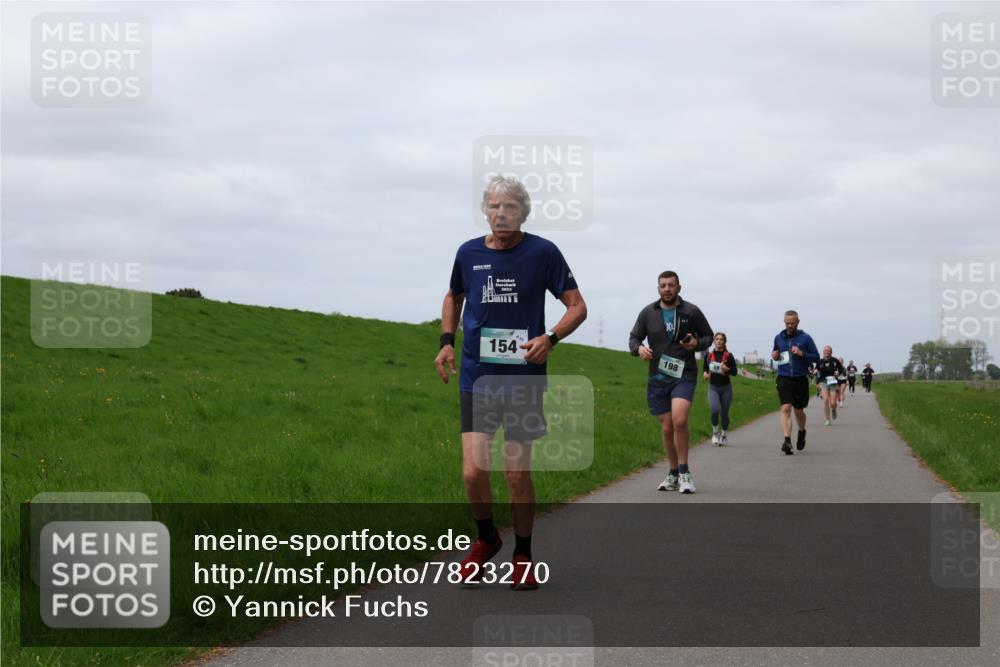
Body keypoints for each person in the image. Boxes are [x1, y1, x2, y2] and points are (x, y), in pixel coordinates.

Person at [434, 175, 587, 590]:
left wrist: (550, 338)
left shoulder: (543, 252)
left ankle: (522, 553)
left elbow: (577, 306)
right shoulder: (467, 253)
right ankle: (486, 539)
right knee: (472, 472)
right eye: (494, 207)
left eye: (510, 208)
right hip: (476, 377)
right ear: (486, 210)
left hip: (522, 379)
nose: (501, 213)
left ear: (523, 212)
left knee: (517, 475)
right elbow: (453, 295)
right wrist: (447, 341)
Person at [629, 271, 714, 494]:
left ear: (679, 288)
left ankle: (685, 472)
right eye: (663, 285)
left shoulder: (691, 311)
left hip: (684, 374)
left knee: (680, 419)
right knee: (667, 428)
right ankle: (673, 472)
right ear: (658, 288)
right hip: (657, 376)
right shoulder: (648, 313)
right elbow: (634, 337)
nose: (667, 289)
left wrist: (696, 343)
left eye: (671, 285)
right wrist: (639, 348)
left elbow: (708, 336)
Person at [771, 310, 820, 454]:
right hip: (783, 377)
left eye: (792, 323)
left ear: (798, 322)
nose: (790, 325)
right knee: (786, 408)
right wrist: (774, 355)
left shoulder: (806, 338)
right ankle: (787, 441)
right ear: (784, 322)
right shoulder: (778, 338)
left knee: (799, 411)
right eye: (787, 323)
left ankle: (802, 431)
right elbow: (775, 353)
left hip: (800, 378)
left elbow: (816, 358)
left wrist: (802, 353)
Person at [703, 332, 738, 446]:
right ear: (714, 341)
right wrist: (705, 374)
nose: (718, 341)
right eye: (717, 339)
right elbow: (705, 368)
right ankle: (715, 433)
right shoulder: (708, 356)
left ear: (724, 342)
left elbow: (735, 372)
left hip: (726, 388)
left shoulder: (728, 356)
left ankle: (723, 435)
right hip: (713, 388)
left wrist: (727, 369)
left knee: (724, 413)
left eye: (721, 339)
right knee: (714, 409)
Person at [816, 347, 845, 426]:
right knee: (825, 400)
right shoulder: (820, 361)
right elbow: (817, 371)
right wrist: (817, 382)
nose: (826, 352)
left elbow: (841, 369)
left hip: (833, 382)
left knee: (832, 403)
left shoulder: (835, 360)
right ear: (823, 352)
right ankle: (828, 419)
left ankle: (834, 410)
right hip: (823, 382)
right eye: (825, 350)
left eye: (828, 351)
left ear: (831, 352)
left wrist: (838, 373)